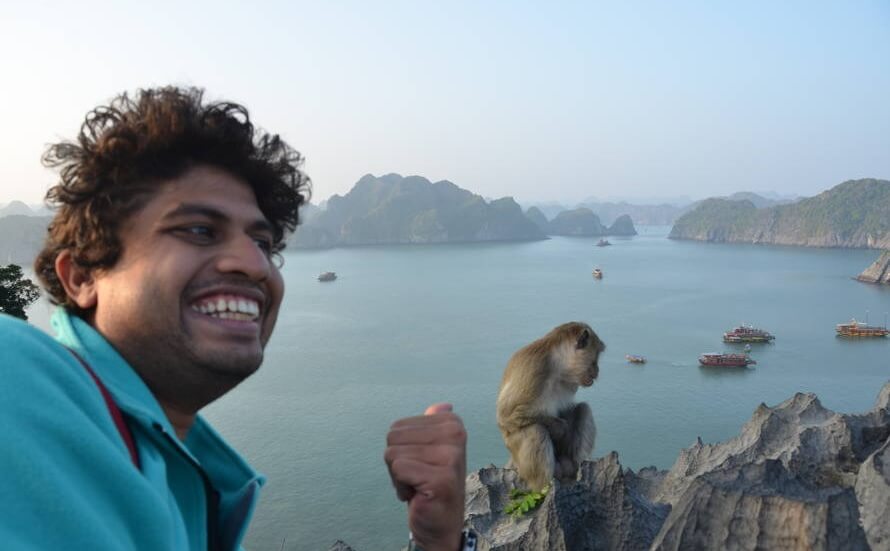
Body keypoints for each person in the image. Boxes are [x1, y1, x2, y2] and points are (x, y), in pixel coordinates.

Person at [0, 87, 468, 551]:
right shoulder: (16, 374)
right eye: (200, 231)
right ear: (83, 275)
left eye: (263, 243)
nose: (254, 264)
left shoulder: (188, 486)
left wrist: (437, 542)